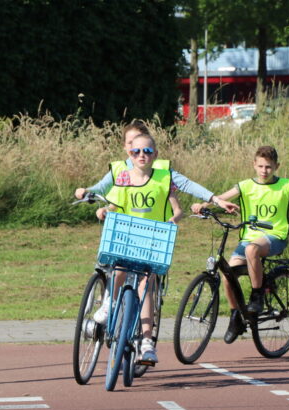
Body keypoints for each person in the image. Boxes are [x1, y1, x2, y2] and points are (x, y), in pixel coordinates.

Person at [75, 132, 238, 365]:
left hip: (152, 241)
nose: (141, 155)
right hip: (127, 237)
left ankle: (147, 342)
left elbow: (187, 191)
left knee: (147, 285)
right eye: (136, 151)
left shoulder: (164, 177)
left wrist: (213, 201)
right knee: (119, 269)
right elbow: (114, 200)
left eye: (147, 151)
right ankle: (109, 306)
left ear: (155, 154)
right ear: (129, 153)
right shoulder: (122, 177)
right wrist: (104, 210)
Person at [192, 145, 289, 344]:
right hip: (250, 236)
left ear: (277, 166)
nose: (264, 171)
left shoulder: (286, 185)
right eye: (260, 166)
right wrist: (203, 206)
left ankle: (257, 295)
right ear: (254, 165)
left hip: (275, 236)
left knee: (252, 249)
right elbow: (221, 198)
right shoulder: (245, 185)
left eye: (268, 167)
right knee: (228, 273)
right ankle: (236, 317)